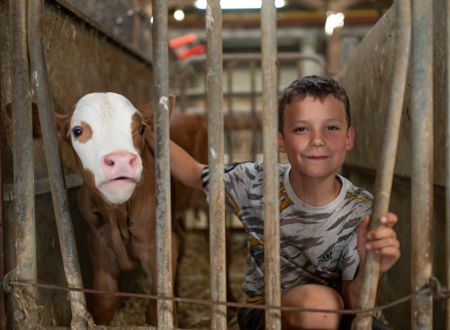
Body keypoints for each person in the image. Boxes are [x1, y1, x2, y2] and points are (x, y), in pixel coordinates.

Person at [166, 75, 400, 330]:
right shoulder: (256, 182)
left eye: (331, 127)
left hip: (337, 314)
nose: (317, 140)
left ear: (349, 138)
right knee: (320, 307)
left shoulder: (362, 209)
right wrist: (137, 127)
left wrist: (371, 268)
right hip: (265, 313)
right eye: (301, 129)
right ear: (280, 140)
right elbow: (191, 171)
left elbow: (356, 306)